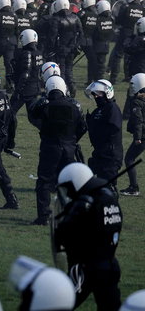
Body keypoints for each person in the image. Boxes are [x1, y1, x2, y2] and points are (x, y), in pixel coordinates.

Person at [54, 162, 122, 310]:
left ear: (77, 183)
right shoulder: (108, 198)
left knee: (58, 304)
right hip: (110, 265)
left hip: (86, 268)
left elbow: (64, 233)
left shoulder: (86, 205)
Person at [28, 76, 87, 225]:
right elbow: (83, 127)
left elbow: (32, 114)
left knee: (44, 181)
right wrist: (73, 141)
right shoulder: (74, 105)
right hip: (69, 147)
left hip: (50, 147)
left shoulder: (45, 105)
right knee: (69, 181)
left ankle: (44, 216)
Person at [84, 80, 123, 183]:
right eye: (94, 95)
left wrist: (96, 127)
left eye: (98, 94)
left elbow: (113, 128)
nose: (96, 97)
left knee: (108, 188)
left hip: (110, 156)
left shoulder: (112, 108)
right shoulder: (98, 110)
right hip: (99, 153)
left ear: (107, 93)